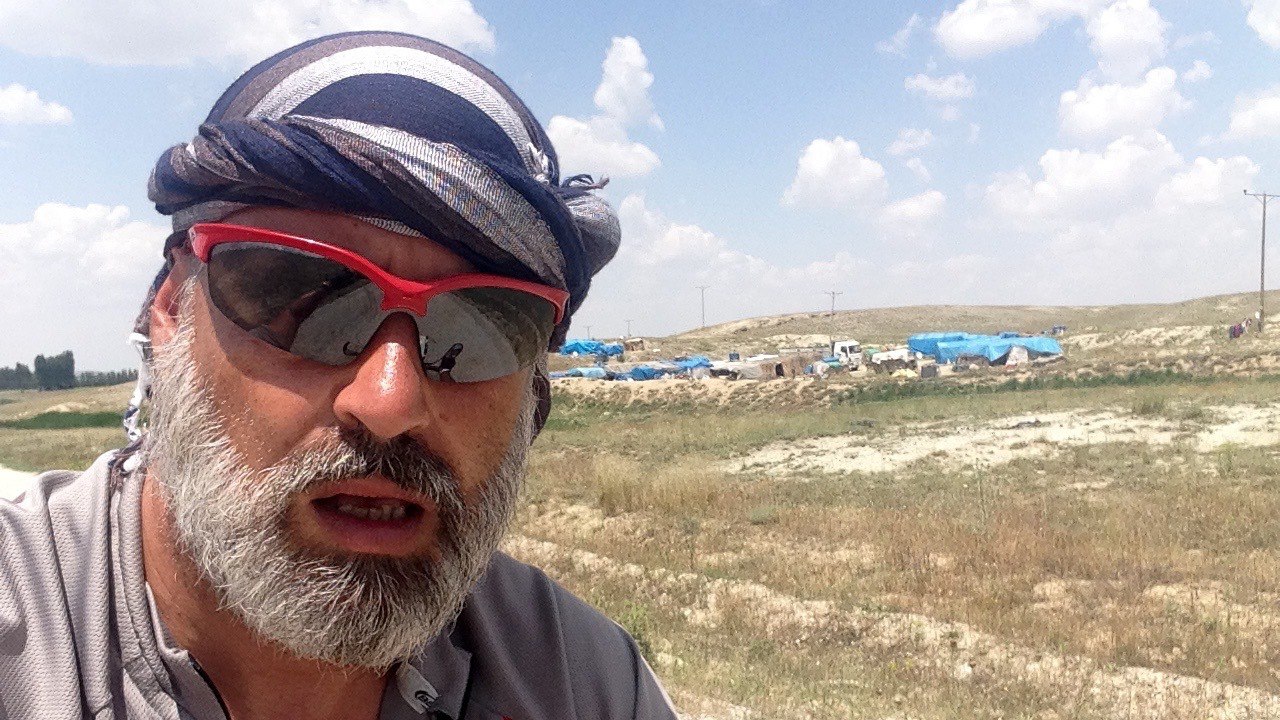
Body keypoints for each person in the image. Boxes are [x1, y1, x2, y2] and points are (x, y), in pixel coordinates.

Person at [0, 32, 677, 720]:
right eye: (304, 298)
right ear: (172, 312)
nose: (389, 401)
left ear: (532, 384)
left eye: (476, 330)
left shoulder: (588, 686)